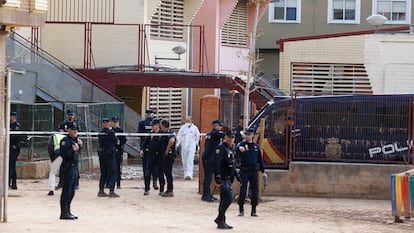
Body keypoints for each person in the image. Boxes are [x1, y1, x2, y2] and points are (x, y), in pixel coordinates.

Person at [235, 128, 266, 217]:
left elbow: (260, 160)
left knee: (254, 190)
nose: (248, 136)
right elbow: (235, 149)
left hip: (254, 171)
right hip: (244, 170)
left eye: (249, 134)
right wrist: (238, 148)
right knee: (243, 190)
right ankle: (241, 209)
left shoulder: (256, 146)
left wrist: (263, 171)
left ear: (252, 135)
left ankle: (254, 210)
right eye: (246, 134)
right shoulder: (242, 145)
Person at [213, 131, 239, 229]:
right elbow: (216, 163)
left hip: (228, 178)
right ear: (225, 137)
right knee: (229, 197)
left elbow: (232, 164)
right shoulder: (221, 148)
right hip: (223, 178)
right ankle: (219, 218)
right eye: (229, 137)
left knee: (224, 199)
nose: (231, 139)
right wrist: (217, 177)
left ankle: (222, 221)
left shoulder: (230, 149)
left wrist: (237, 177)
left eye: (233, 137)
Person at [59, 122, 82, 220]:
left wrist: (80, 147)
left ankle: (68, 210)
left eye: (76, 130)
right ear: (68, 130)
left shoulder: (75, 140)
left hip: (74, 167)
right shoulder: (65, 141)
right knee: (67, 190)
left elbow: (77, 154)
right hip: (68, 167)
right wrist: (73, 150)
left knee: (72, 190)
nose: (75, 131)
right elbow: (64, 154)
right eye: (73, 129)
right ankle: (63, 212)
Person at [140, 118, 165, 195]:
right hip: (151, 155)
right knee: (147, 172)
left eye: (153, 125)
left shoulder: (162, 134)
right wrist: (142, 150)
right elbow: (144, 143)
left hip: (160, 155)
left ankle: (161, 190)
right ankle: (146, 189)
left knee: (160, 172)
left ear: (157, 126)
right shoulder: (150, 134)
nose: (152, 127)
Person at [201, 120, 224, 202]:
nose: (221, 128)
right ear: (216, 126)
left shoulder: (210, 133)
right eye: (220, 126)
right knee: (208, 176)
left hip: (206, 156)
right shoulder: (215, 133)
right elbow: (225, 135)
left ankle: (207, 194)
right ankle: (206, 195)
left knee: (208, 176)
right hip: (209, 157)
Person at [57, 109, 79, 189]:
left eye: (72, 115)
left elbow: (77, 135)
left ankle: (76, 183)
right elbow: (60, 133)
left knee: (75, 164)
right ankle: (61, 182)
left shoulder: (75, 124)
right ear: (67, 115)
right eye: (69, 115)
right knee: (63, 165)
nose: (71, 116)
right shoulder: (62, 124)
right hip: (65, 145)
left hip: (74, 145)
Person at [97, 118, 120, 198]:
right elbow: (116, 141)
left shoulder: (100, 132)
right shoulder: (111, 132)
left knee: (103, 173)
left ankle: (101, 190)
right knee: (113, 172)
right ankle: (111, 191)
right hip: (109, 154)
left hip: (101, 154)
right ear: (109, 123)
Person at [138, 108, 159, 190]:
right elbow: (140, 134)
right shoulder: (143, 123)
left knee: (149, 167)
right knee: (150, 167)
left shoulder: (144, 123)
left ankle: (151, 183)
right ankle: (150, 183)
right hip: (147, 146)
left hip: (148, 147)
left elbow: (139, 134)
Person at [176, 116, 200, 180]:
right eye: (187, 120)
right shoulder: (183, 128)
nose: (188, 121)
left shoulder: (195, 128)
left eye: (189, 120)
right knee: (184, 160)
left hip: (191, 146)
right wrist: (177, 145)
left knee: (190, 159)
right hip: (184, 146)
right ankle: (185, 173)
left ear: (192, 120)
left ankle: (189, 174)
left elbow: (197, 137)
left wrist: (197, 146)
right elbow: (179, 136)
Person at [160, 119, 176, 197]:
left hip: (169, 155)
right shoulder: (164, 132)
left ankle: (170, 190)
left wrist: (167, 148)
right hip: (165, 155)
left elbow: (172, 141)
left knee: (168, 172)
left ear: (163, 126)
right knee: (166, 171)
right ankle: (168, 189)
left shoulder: (170, 132)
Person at [111, 116, 127, 189]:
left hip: (118, 151)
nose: (115, 123)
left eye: (116, 122)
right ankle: (110, 183)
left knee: (117, 168)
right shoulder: (110, 130)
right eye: (114, 122)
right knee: (110, 167)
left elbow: (124, 140)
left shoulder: (120, 130)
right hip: (111, 151)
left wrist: (120, 142)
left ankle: (118, 183)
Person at [9, 111, 22, 190]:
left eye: (10, 116)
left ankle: (14, 184)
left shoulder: (17, 126)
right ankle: (8, 182)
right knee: (8, 165)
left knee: (12, 165)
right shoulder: (8, 125)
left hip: (14, 147)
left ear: (13, 117)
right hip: (9, 147)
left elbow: (14, 136)